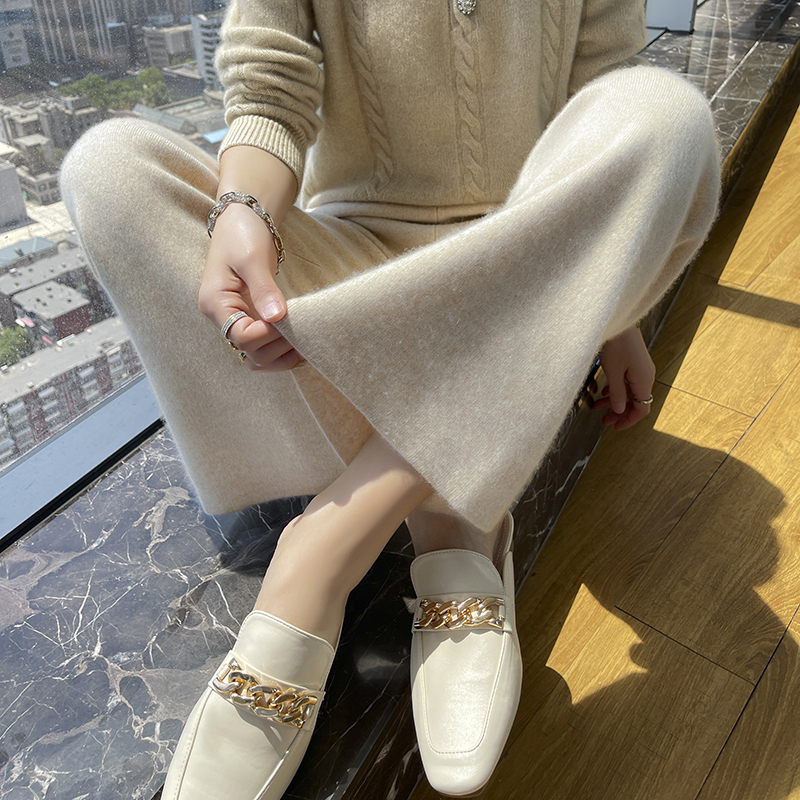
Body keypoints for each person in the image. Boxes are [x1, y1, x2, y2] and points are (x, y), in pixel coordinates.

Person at [60, 0, 720, 797]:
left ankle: (323, 550)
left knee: (667, 114)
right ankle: (455, 494)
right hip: (362, 278)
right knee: (107, 170)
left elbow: (604, 100)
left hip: (520, 259)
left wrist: (617, 316)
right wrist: (244, 215)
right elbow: (268, 91)